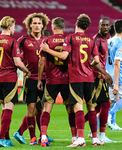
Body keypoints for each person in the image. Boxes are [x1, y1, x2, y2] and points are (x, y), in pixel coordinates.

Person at [40, 14, 104, 147]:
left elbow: (63, 56)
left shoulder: (70, 38)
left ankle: (78, 138)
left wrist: (47, 50)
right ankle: (94, 138)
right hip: (87, 78)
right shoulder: (91, 40)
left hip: (72, 78)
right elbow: (97, 60)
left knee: (75, 107)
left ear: (76, 24)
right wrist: (87, 66)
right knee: (90, 107)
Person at [0, 16, 31, 147]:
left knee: (4, 109)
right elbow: (18, 63)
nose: (14, 29)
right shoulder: (12, 41)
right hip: (10, 78)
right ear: (10, 27)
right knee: (9, 109)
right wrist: (27, 71)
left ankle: (6, 138)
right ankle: (1, 138)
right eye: (14, 27)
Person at [13, 13, 50, 146]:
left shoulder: (47, 40)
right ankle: (32, 137)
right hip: (30, 79)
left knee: (42, 109)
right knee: (31, 108)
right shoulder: (22, 40)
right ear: (30, 25)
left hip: (47, 79)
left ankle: (42, 135)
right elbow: (16, 57)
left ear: (43, 25)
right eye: (34, 23)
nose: (37, 25)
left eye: (39, 23)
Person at [38, 17, 76, 146]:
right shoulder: (69, 39)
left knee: (47, 109)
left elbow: (41, 62)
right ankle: (74, 137)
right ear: (63, 27)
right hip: (67, 80)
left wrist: (39, 79)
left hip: (51, 80)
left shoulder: (46, 41)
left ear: (53, 27)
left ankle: (43, 137)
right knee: (70, 109)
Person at [85, 18, 116, 143]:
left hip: (101, 77)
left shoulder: (104, 40)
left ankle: (81, 123)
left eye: (107, 25)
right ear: (98, 26)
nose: (105, 27)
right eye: (103, 25)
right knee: (101, 105)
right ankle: (100, 135)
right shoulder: (96, 40)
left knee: (101, 106)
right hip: (96, 78)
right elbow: (93, 60)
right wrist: (105, 74)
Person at [106, 20, 122, 131]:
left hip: (108, 74)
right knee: (109, 106)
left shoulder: (108, 41)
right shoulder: (119, 42)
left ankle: (95, 134)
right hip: (117, 76)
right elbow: (117, 63)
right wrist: (117, 82)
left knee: (107, 103)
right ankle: (110, 115)